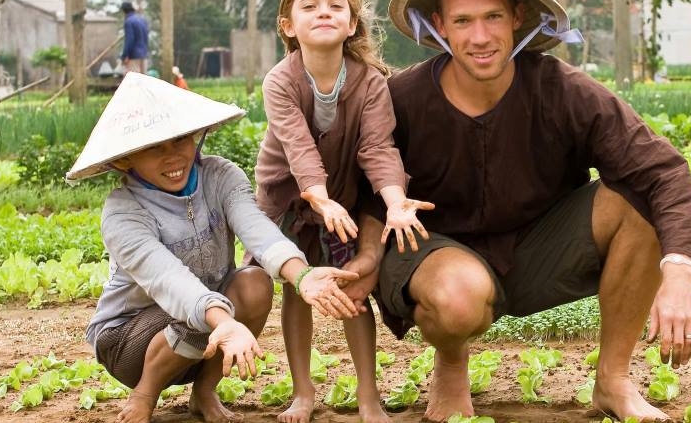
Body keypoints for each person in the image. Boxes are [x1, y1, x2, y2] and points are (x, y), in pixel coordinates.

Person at [353, 0, 691, 421]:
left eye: (493, 17)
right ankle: (450, 361)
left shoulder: (563, 89)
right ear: (439, 25)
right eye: (463, 21)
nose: (480, 37)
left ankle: (612, 380)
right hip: (436, 256)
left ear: (517, 18)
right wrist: (368, 259)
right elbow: (363, 190)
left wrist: (679, 272)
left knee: (636, 199)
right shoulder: (403, 98)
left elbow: (663, 171)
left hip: (536, 250)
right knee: (458, 298)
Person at [67, 72, 361, 423]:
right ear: (124, 160)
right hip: (130, 341)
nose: (173, 157)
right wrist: (223, 321)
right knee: (197, 311)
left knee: (253, 283)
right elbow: (168, 280)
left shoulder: (221, 176)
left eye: (180, 141)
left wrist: (302, 276)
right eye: (153, 148)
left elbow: (256, 229)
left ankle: (204, 391)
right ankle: (144, 394)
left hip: (207, 329)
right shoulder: (123, 212)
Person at [253, 1, 434, 422]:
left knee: (353, 287)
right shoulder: (280, 81)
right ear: (288, 25)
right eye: (310, 6)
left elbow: (377, 148)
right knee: (299, 290)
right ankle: (302, 392)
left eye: (337, 6)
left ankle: (368, 396)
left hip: (344, 198)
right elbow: (298, 148)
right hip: (289, 198)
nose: (324, 12)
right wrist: (318, 197)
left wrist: (394, 202)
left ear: (352, 24)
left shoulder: (370, 82)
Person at [120, 1, 149, 74]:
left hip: (134, 56)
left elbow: (129, 40)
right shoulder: (142, 20)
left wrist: (125, 55)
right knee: (143, 81)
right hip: (144, 55)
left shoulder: (129, 21)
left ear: (124, 11)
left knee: (133, 82)